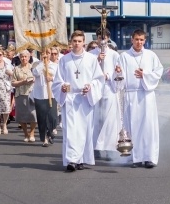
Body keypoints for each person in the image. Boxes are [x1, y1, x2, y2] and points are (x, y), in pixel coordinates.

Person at [52, 30, 104, 172]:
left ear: (84, 43)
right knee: (71, 131)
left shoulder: (91, 59)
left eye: (79, 41)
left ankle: (81, 159)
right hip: (69, 98)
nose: (76, 44)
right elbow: (57, 81)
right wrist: (62, 87)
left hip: (85, 98)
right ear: (71, 42)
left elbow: (98, 79)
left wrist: (91, 86)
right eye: (74, 41)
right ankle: (72, 160)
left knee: (84, 130)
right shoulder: (64, 60)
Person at [114, 29, 163, 168]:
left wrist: (145, 74)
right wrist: (117, 72)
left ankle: (149, 158)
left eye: (141, 40)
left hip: (146, 95)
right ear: (132, 39)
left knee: (148, 127)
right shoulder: (124, 56)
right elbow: (119, 78)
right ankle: (134, 158)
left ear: (145, 41)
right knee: (132, 126)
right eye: (136, 39)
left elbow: (158, 71)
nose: (139, 42)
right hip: (130, 95)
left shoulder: (151, 55)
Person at [89, 28, 121, 161]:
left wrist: (112, 75)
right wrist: (96, 60)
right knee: (95, 119)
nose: (102, 40)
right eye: (99, 38)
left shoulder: (114, 55)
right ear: (96, 39)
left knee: (109, 120)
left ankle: (109, 149)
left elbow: (119, 73)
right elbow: (87, 70)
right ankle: (95, 148)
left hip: (109, 88)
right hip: (96, 88)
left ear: (108, 38)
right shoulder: (90, 54)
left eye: (104, 38)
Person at [31, 47, 59, 146]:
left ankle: (51, 131)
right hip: (40, 95)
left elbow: (60, 78)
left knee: (52, 117)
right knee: (42, 118)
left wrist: (52, 78)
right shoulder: (37, 65)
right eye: (45, 53)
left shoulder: (55, 66)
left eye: (48, 53)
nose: (47, 55)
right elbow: (35, 73)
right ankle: (45, 139)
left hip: (51, 94)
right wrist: (42, 63)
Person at [11, 50, 37, 142]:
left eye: (26, 56)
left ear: (29, 58)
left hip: (32, 93)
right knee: (22, 115)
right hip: (20, 94)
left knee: (33, 114)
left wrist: (33, 79)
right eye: (22, 57)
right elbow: (13, 83)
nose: (24, 58)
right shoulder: (16, 69)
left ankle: (32, 133)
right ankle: (26, 133)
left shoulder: (33, 68)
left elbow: (38, 79)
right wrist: (22, 82)